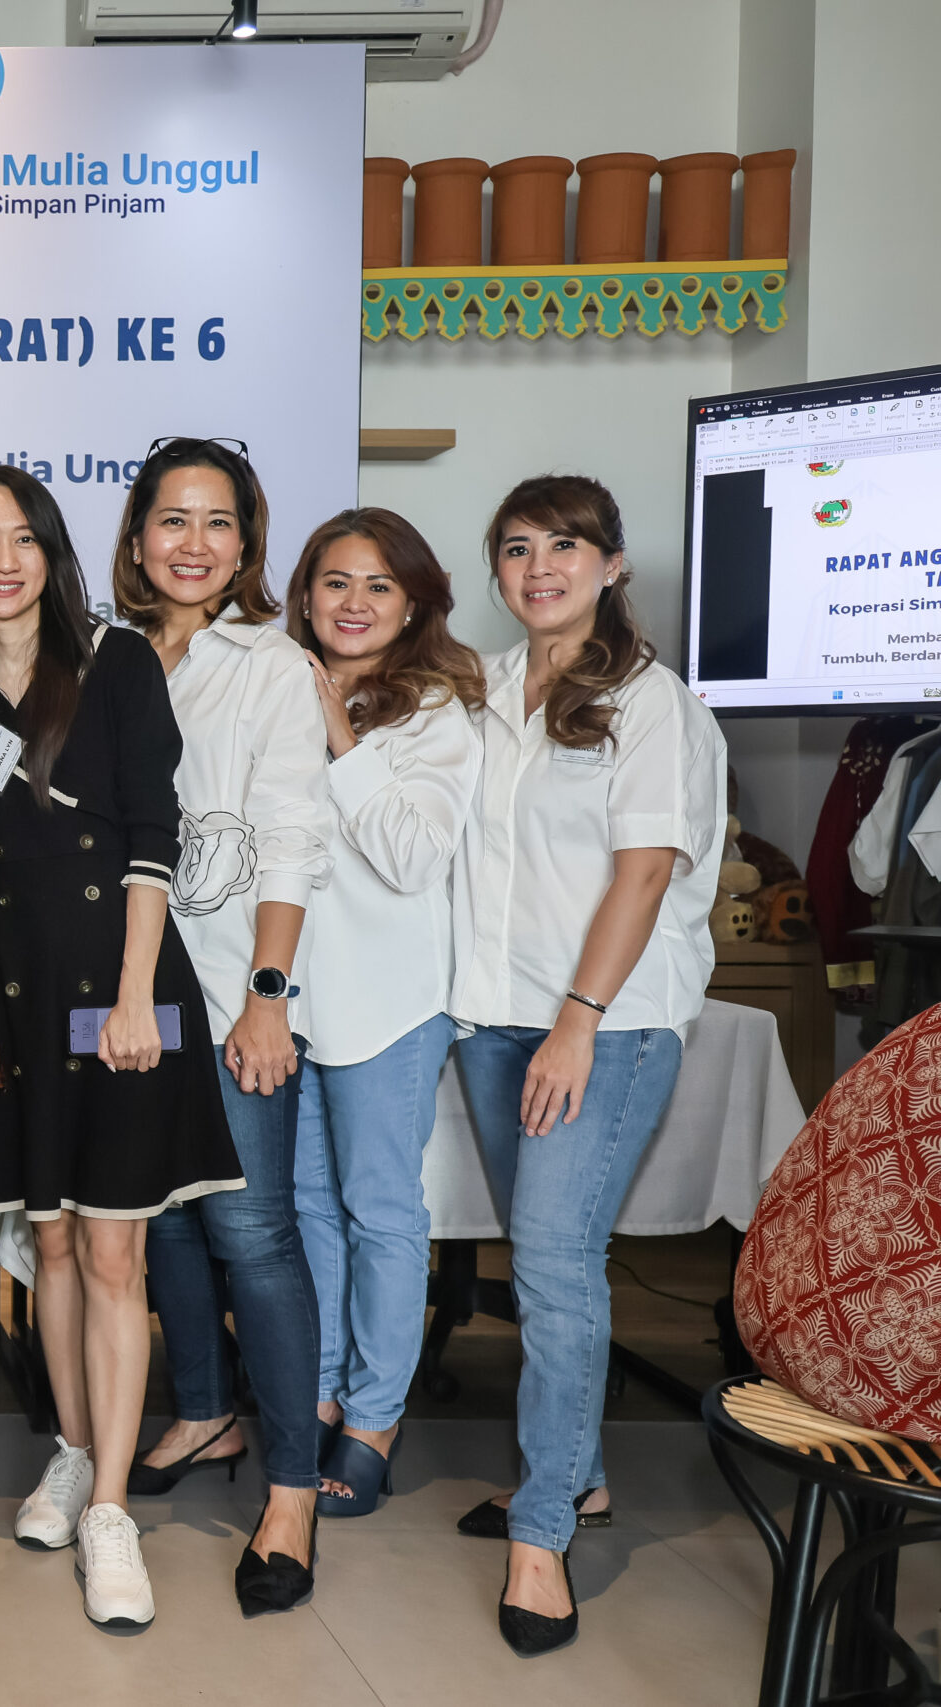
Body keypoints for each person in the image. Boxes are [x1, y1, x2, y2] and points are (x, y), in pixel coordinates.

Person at [0, 466, 242, 1633]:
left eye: (24, 539)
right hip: (13, 1004)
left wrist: (131, 996)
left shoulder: (114, 664)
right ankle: (72, 1448)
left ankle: (110, 1509)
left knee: (115, 1253)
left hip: (122, 1000)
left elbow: (152, 834)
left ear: (53, 555)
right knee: (49, 1241)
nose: (3, 560)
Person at [450, 475, 724, 1656]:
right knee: (542, 1259)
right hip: (493, 1017)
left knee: (556, 1266)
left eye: (564, 545)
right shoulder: (485, 689)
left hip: (602, 1025)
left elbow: (644, 871)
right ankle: (584, 1475)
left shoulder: (650, 702)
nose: (539, 567)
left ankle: (543, 1530)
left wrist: (576, 1019)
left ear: (611, 564)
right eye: (517, 548)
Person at [112, 437, 332, 1616]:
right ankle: (203, 1412)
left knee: (252, 1235)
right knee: (159, 1224)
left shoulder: (271, 665)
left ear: (246, 544)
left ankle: (291, 1490)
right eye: (172, 520)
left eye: (217, 523)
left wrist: (267, 995)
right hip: (127, 996)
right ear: (137, 536)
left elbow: (291, 837)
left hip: (233, 994)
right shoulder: (105, 655)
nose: (192, 544)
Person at [281, 509, 485, 1519]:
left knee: (381, 1213)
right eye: (335, 582)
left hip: (391, 1002)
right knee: (308, 1210)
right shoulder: (278, 688)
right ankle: (318, 1394)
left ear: (413, 604)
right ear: (305, 595)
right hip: (294, 1000)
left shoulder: (438, 712)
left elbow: (410, 858)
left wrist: (339, 734)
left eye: (377, 586)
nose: (353, 603)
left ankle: (373, 1421)